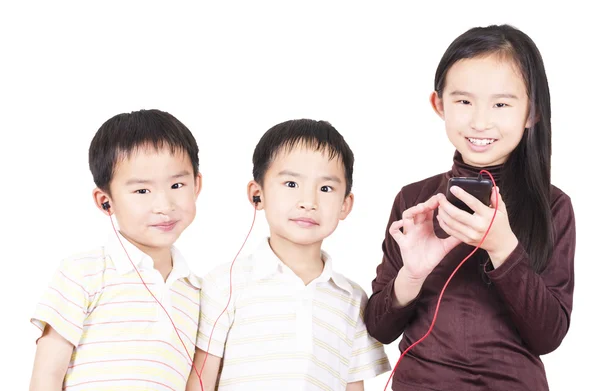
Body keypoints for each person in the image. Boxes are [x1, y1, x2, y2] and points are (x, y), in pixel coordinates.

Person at [364, 24, 576, 390]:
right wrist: (411, 276)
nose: (480, 121)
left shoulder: (553, 206)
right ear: (439, 104)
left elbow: (549, 336)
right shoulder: (414, 201)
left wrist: (502, 248)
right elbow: (379, 328)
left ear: (531, 113)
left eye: (501, 104)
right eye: (464, 101)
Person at [189, 119, 390, 391]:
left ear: (345, 205)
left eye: (326, 188)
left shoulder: (352, 299)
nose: (308, 201)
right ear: (257, 194)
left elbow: (353, 385)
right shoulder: (224, 283)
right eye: (291, 184)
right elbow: (202, 378)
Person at [29, 109, 204, 391]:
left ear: (197, 185)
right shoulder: (83, 272)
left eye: (177, 184)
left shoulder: (199, 294)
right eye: (141, 191)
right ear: (105, 201)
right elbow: (47, 375)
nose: (164, 204)